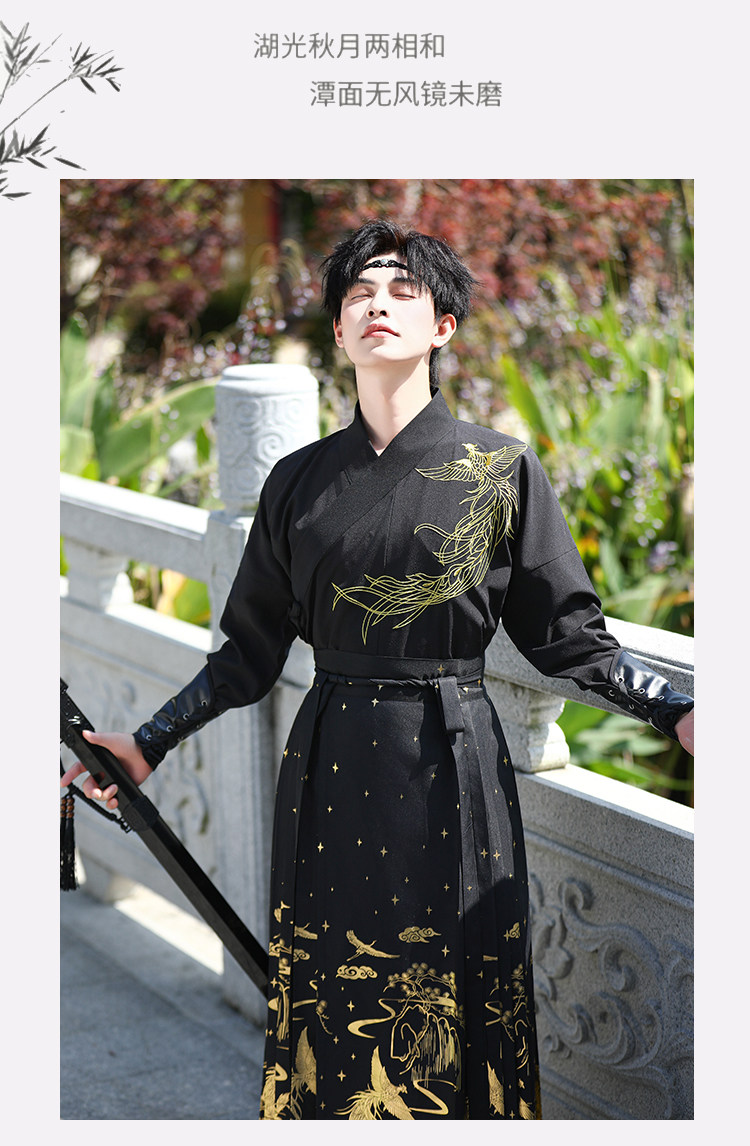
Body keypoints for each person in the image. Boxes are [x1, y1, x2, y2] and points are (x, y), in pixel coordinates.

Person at [62, 219, 694, 1120]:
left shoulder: (501, 469)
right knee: (334, 985)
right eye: (358, 294)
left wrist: (677, 711)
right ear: (338, 330)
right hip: (332, 763)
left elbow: (569, 637)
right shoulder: (296, 481)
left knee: (459, 988)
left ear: (443, 326)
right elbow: (247, 653)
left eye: (402, 291)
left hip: (454, 762)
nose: (377, 306)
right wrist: (148, 742)